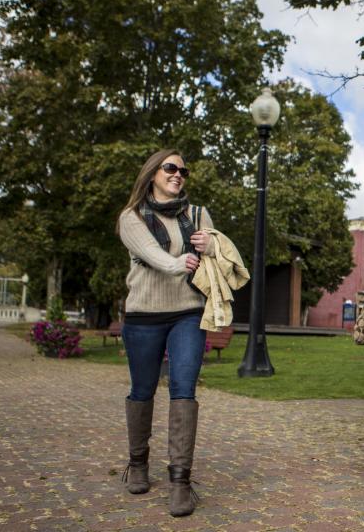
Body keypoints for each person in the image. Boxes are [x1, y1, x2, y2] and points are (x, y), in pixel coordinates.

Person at [115, 149, 215, 517]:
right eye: (170, 168)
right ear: (153, 173)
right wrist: (178, 262)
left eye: (183, 170)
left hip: (188, 312)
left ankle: (180, 482)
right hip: (143, 315)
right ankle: (138, 464)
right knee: (142, 391)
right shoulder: (131, 217)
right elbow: (152, 255)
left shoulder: (198, 214)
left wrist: (212, 246)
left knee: (183, 390)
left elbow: (221, 253)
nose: (178, 175)